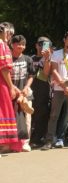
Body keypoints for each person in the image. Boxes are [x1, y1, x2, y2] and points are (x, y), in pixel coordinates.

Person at [41, 30, 68, 150]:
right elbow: (53, 71)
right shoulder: (57, 54)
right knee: (54, 115)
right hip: (59, 89)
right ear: (65, 40)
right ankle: (49, 141)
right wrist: (64, 85)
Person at [10, 35, 35, 152]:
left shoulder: (28, 59)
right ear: (12, 44)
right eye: (18, 44)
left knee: (27, 118)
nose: (21, 46)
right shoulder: (7, 58)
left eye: (23, 44)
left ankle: (25, 142)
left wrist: (26, 87)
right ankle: (12, 143)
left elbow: (31, 76)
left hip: (25, 93)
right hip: (11, 93)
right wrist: (14, 88)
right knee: (12, 118)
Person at [30, 36, 52, 147]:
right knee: (29, 113)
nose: (42, 46)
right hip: (30, 88)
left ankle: (37, 138)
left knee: (42, 113)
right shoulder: (30, 58)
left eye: (46, 44)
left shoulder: (50, 59)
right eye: (41, 44)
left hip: (43, 89)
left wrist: (47, 58)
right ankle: (28, 137)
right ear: (36, 45)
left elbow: (46, 73)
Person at [0, 22, 18, 155]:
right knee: (3, 109)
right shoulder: (2, 45)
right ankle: (5, 143)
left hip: (3, 82)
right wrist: (11, 87)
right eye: (8, 33)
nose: (9, 36)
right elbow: (4, 68)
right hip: (2, 84)